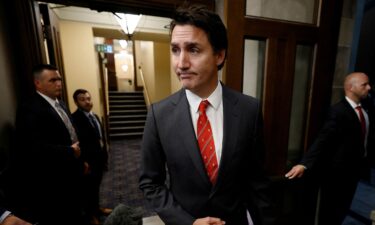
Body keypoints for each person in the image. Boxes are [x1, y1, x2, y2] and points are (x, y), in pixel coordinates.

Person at [139, 4, 276, 225]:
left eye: (193, 50)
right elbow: (150, 183)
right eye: (175, 49)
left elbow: (257, 181)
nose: (181, 63)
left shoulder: (248, 110)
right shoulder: (158, 115)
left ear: (219, 55)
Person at [285, 72, 375, 225]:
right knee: (331, 213)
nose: (369, 88)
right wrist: (304, 163)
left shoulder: (365, 109)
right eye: (364, 85)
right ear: (350, 88)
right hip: (337, 175)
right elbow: (323, 139)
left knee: (343, 210)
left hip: (355, 172)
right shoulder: (338, 111)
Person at [11, 64, 84, 225]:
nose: (58, 83)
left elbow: (71, 133)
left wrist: (80, 160)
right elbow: (32, 147)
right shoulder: (29, 108)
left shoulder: (61, 103)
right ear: (38, 83)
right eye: (52, 80)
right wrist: (69, 152)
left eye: (59, 79)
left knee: (76, 212)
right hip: (53, 180)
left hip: (72, 171)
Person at [72, 89, 109, 225]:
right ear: (76, 102)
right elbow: (76, 143)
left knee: (96, 186)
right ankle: (91, 215)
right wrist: (83, 162)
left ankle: (97, 208)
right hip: (87, 162)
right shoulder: (74, 119)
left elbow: (100, 139)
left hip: (99, 159)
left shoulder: (95, 116)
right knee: (88, 189)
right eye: (83, 99)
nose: (87, 102)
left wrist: (104, 156)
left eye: (88, 98)